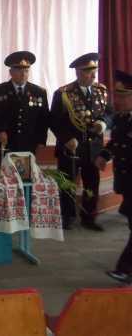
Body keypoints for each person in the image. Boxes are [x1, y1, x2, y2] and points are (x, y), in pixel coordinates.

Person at [50, 53, 111, 231]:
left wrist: (103, 122)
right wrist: (66, 138)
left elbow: (109, 112)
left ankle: (89, 217)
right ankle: (67, 216)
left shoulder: (101, 90)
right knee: (67, 183)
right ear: (78, 72)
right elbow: (54, 120)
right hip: (71, 147)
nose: (93, 75)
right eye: (88, 71)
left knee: (92, 183)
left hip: (93, 147)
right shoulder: (64, 93)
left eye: (95, 71)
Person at [95, 70, 132, 284]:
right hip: (127, 181)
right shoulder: (121, 118)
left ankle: (124, 269)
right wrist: (104, 155)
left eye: (124, 96)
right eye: (118, 95)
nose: (119, 100)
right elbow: (116, 142)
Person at [0, 51, 50, 161]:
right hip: (6, 142)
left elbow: (44, 119)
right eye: (19, 71)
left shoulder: (39, 92)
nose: (23, 74)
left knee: (28, 171)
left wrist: (41, 140)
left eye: (26, 71)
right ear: (11, 72)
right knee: (6, 172)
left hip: (30, 143)